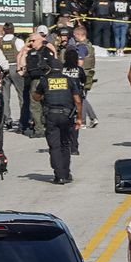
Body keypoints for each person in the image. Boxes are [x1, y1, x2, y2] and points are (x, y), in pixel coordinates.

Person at [36, 53, 83, 184]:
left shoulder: (45, 80)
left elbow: (36, 97)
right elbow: (78, 101)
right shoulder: (69, 80)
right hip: (67, 116)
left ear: (50, 68)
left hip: (51, 116)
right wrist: (79, 118)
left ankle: (59, 175)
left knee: (54, 146)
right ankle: (66, 173)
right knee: (65, 145)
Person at [73, 26, 100, 129]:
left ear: (80, 35)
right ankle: (93, 118)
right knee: (83, 97)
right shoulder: (89, 44)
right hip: (88, 74)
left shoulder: (81, 47)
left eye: (75, 35)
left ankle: (83, 121)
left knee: (80, 98)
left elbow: (80, 62)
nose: (74, 37)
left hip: (82, 75)